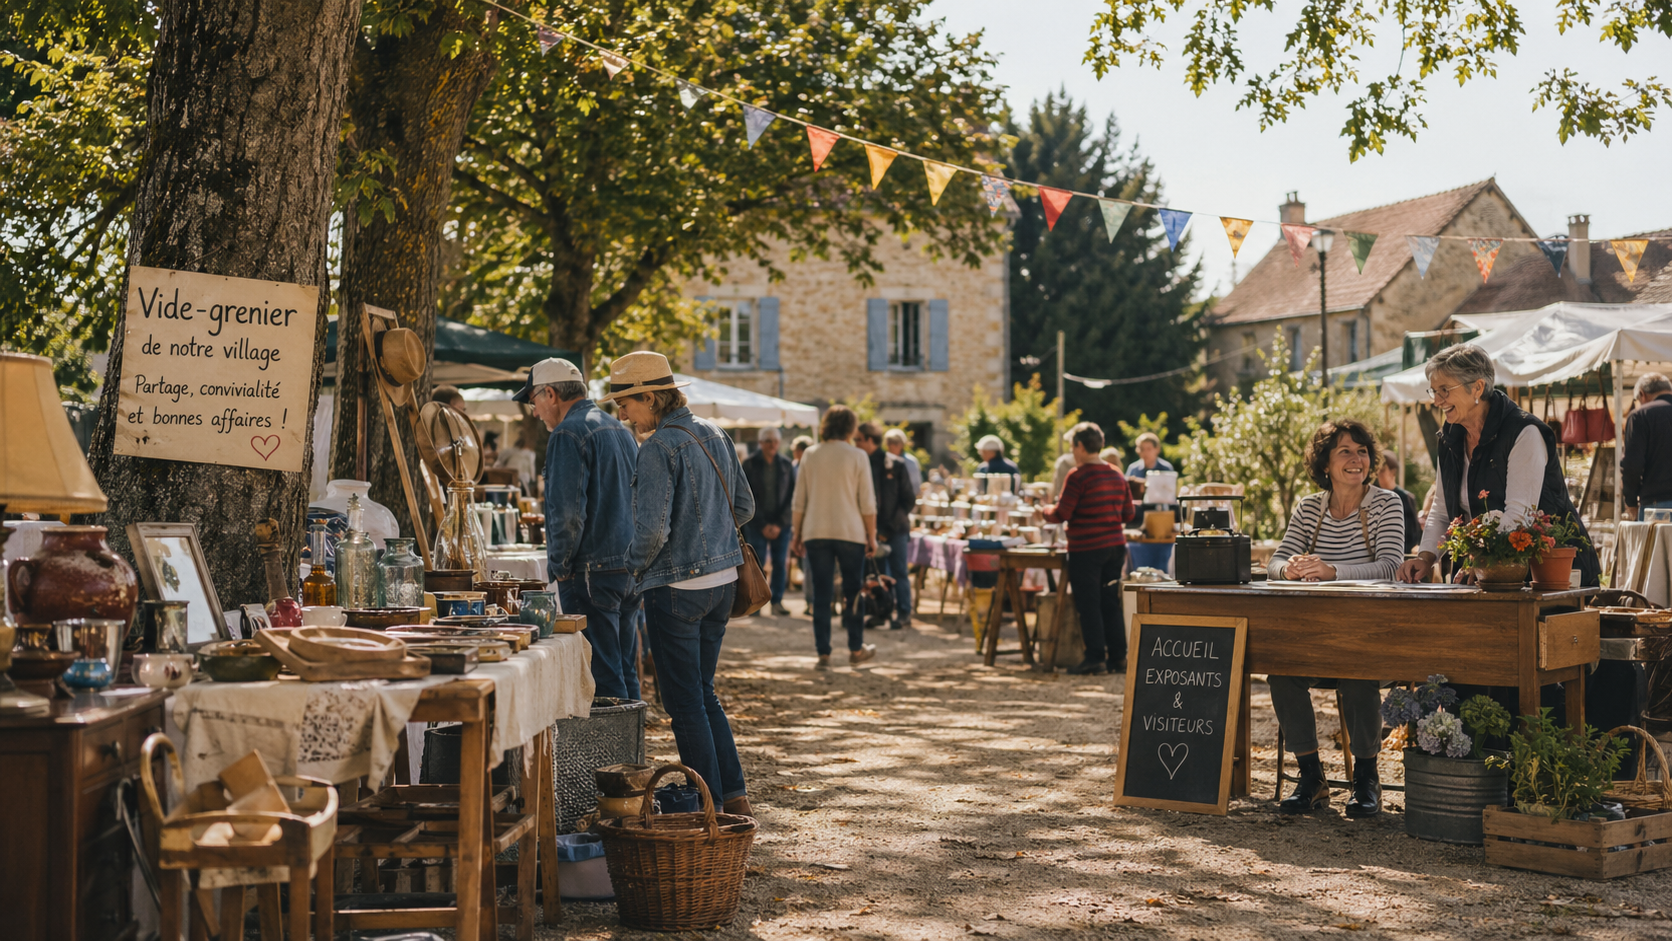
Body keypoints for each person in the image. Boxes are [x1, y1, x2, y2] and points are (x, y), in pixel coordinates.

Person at [611, 351, 754, 816]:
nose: (622, 414)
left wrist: (633, 567)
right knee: (702, 690)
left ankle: (709, 806)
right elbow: (745, 507)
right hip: (724, 580)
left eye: (626, 403)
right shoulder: (716, 433)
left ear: (650, 397)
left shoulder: (658, 447)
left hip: (677, 587)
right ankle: (733, 794)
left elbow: (652, 532)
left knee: (684, 699)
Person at [1269, 419, 1407, 817]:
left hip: (1372, 637)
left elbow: (1390, 567)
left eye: (1362, 451)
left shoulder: (1387, 503)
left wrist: (1332, 570)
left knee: (1357, 669)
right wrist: (1288, 570)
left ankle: (1367, 777)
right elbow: (1275, 562)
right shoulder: (1309, 507)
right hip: (1317, 638)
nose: (1356, 459)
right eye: (1344, 451)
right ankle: (1310, 776)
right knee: (1281, 671)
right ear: (1325, 464)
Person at [1397, 344, 1600, 587]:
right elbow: (1442, 509)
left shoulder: (1523, 432)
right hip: (1489, 575)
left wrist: (1481, 561)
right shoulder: (1449, 437)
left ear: (1477, 387)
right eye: (1434, 391)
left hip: (1547, 575)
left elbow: (1519, 515)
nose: (1437, 401)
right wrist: (1426, 557)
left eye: (1445, 390)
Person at [516, 357, 641, 701]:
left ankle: (610, 755)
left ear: (551, 394)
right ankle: (631, 750)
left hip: (593, 570)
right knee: (623, 668)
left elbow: (567, 515)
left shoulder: (568, 433)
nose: (536, 412)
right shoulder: (619, 428)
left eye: (534, 402)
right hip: (627, 567)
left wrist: (561, 568)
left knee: (601, 673)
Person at [1041, 422, 1137, 675]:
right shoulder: (1117, 474)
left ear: (1081, 447)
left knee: (1089, 603)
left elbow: (1062, 513)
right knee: (1110, 601)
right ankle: (1118, 657)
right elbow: (1129, 513)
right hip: (1115, 545)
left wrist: (1043, 509)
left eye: (1073, 446)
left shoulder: (1078, 475)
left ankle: (1095, 657)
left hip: (1087, 548)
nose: (1073, 451)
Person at [792, 405, 879, 667]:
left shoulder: (810, 454)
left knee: (821, 592)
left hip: (816, 530)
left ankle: (824, 652)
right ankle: (855, 648)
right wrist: (872, 536)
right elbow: (867, 502)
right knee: (852, 593)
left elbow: (799, 501)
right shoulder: (857, 456)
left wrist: (797, 534)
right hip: (850, 532)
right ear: (851, 427)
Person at [856, 422, 917, 629]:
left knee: (899, 572)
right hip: (872, 531)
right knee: (876, 574)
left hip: (895, 529)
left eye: (859, 439)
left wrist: (887, 529)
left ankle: (904, 613)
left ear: (870, 440)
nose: (855, 443)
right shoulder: (860, 464)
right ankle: (880, 613)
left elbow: (908, 500)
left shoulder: (896, 464)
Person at [742, 427, 795, 617]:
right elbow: (746, 496)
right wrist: (762, 524)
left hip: (781, 524)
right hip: (757, 523)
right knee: (756, 564)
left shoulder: (786, 465)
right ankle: (755, 602)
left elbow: (792, 497)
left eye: (775, 441)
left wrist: (780, 524)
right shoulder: (749, 464)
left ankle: (778, 601)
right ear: (760, 443)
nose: (772, 444)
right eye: (768, 441)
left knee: (781, 563)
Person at [1622, 372, 1672, 520]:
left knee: (1656, 544)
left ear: (1642, 394)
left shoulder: (1641, 415)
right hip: (1658, 501)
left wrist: (1631, 502)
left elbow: (1632, 464)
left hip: (1658, 504)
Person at [1377, 450, 1421, 553]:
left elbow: (1413, 534)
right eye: (1377, 471)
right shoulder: (1373, 498)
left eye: (1382, 470)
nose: (1379, 474)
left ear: (1393, 472)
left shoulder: (1406, 498)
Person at [496, 427, 540, 493]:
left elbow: (500, 461)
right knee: (524, 485)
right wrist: (533, 478)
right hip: (520, 475)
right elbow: (531, 467)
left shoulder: (509, 451)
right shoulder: (529, 454)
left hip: (509, 474)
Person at [884, 428, 923, 492]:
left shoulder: (911, 462)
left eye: (894, 443)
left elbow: (916, 486)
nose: (891, 446)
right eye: (889, 443)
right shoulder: (884, 461)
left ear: (901, 444)